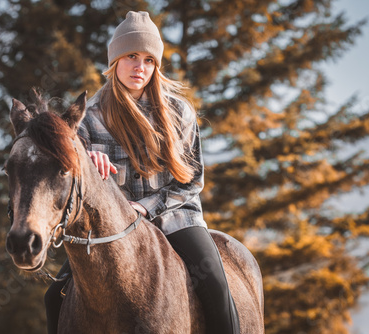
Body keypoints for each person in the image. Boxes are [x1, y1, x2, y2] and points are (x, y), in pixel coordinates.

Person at [45, 11, 240, 334]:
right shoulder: (89, 116)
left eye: (149, 60)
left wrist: (144, 208)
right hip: (111, 228)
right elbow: (73, 179)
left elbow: (192, 181)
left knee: (216, 285)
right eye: (132, 56)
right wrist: (86, 162)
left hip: (177, 217)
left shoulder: (180, 112)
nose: (140, 67)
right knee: (55, 296)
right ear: (115, 60)